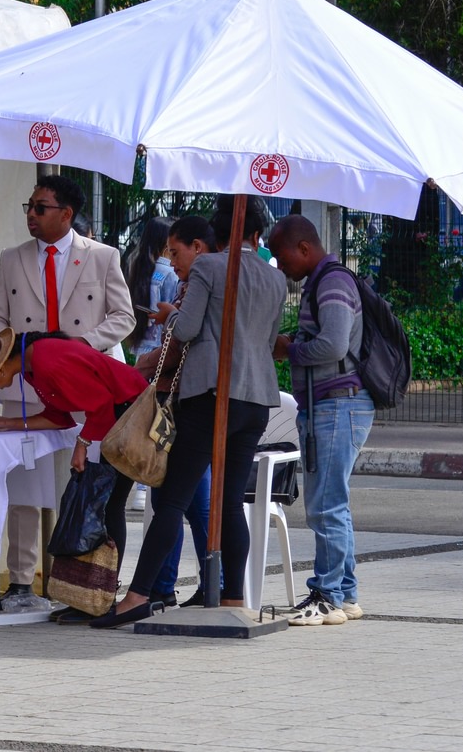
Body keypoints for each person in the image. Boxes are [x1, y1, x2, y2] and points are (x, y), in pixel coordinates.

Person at [95, 198, 285, 627]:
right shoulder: (274, 278)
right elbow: (269, 338)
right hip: (256, 397)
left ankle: (138, 596)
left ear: (214, 236)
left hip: (210, 396)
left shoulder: (209, 267)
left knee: (172, 500)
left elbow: (186, 328)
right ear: (256, 235)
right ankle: (234, 599)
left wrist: (169, 314)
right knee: (231, 502)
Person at [0, 174, 132, 612]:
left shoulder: (102, 256)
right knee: (23, 492)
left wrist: (80, 348)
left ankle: (80, 589)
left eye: (40, 207)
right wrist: (5, 353)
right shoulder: (12, 258)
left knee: (82, 491)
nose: (31, 214)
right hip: (25, 383)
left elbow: (124, 317)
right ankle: (21, 582)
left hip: (86, 384)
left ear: (66, 214)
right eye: (28, 206)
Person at [0, 324, 147, 613]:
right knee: (103, 507)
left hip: (130, 413)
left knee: (109, 506)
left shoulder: (46, 362)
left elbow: (100, 404)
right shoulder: (33, 365)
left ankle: (103, 597)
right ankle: (95, 597)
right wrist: (7, 423)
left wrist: (82, 444)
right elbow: (59, 417)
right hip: (119, 413)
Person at [269, 214, 373, 626]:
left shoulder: (332, 283)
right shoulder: (322, 282)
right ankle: (345, 594)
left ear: (304, 248)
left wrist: (291, 350)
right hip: (332, 405)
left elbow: (332, 345)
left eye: (283, 258)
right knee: (334, 504)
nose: (281, 267)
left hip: (338, 405)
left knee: (325, 506)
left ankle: (326, 596)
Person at [133, 215, 217, 605]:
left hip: (183, 403)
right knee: (179, 501)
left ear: (197, 247)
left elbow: (178, 344)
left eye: (175, 251)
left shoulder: (199, 284)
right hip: (179, 401)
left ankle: (173, 586)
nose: (170, 259)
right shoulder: (191, 283)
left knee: (179, 502)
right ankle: (168, 585)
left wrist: (143, 365)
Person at [127, 217, 175, 354]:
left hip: (141, 345)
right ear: (167, 244)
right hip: (161, 348)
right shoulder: (170, 273)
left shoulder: (137, 267)